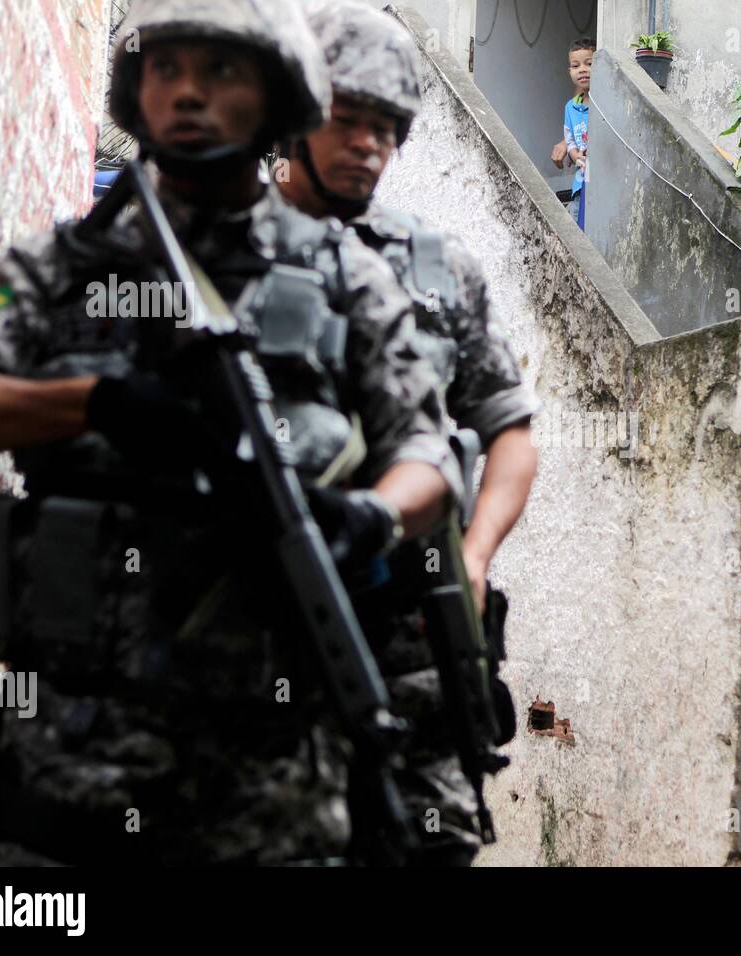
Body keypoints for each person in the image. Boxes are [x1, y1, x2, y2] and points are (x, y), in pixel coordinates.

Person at [0, 0, 459, 866]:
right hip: (74, 763)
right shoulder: (58, 267)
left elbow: (429, 454)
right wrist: (94, 404)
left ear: (278, 97)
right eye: (165, 69)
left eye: (219, 71)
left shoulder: (341, 274)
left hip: (272, 776)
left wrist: (368, 518)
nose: (186, 92)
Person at [279, 0, 539, 866]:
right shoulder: (224, 247)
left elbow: (508, 431)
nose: (367, 145)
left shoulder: (439, 269)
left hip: (409, 632)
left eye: (387, 129)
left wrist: (473, 554)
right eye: (347, 121)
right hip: (251, 632)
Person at [562, 38, 593, 227]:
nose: (582, 69)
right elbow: (570, 140)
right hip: (580, 182)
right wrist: (576, 157)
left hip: (599, 180)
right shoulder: (570, 108)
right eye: (576, 65)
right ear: (570, 71)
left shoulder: (602, 103)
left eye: (589, 64)